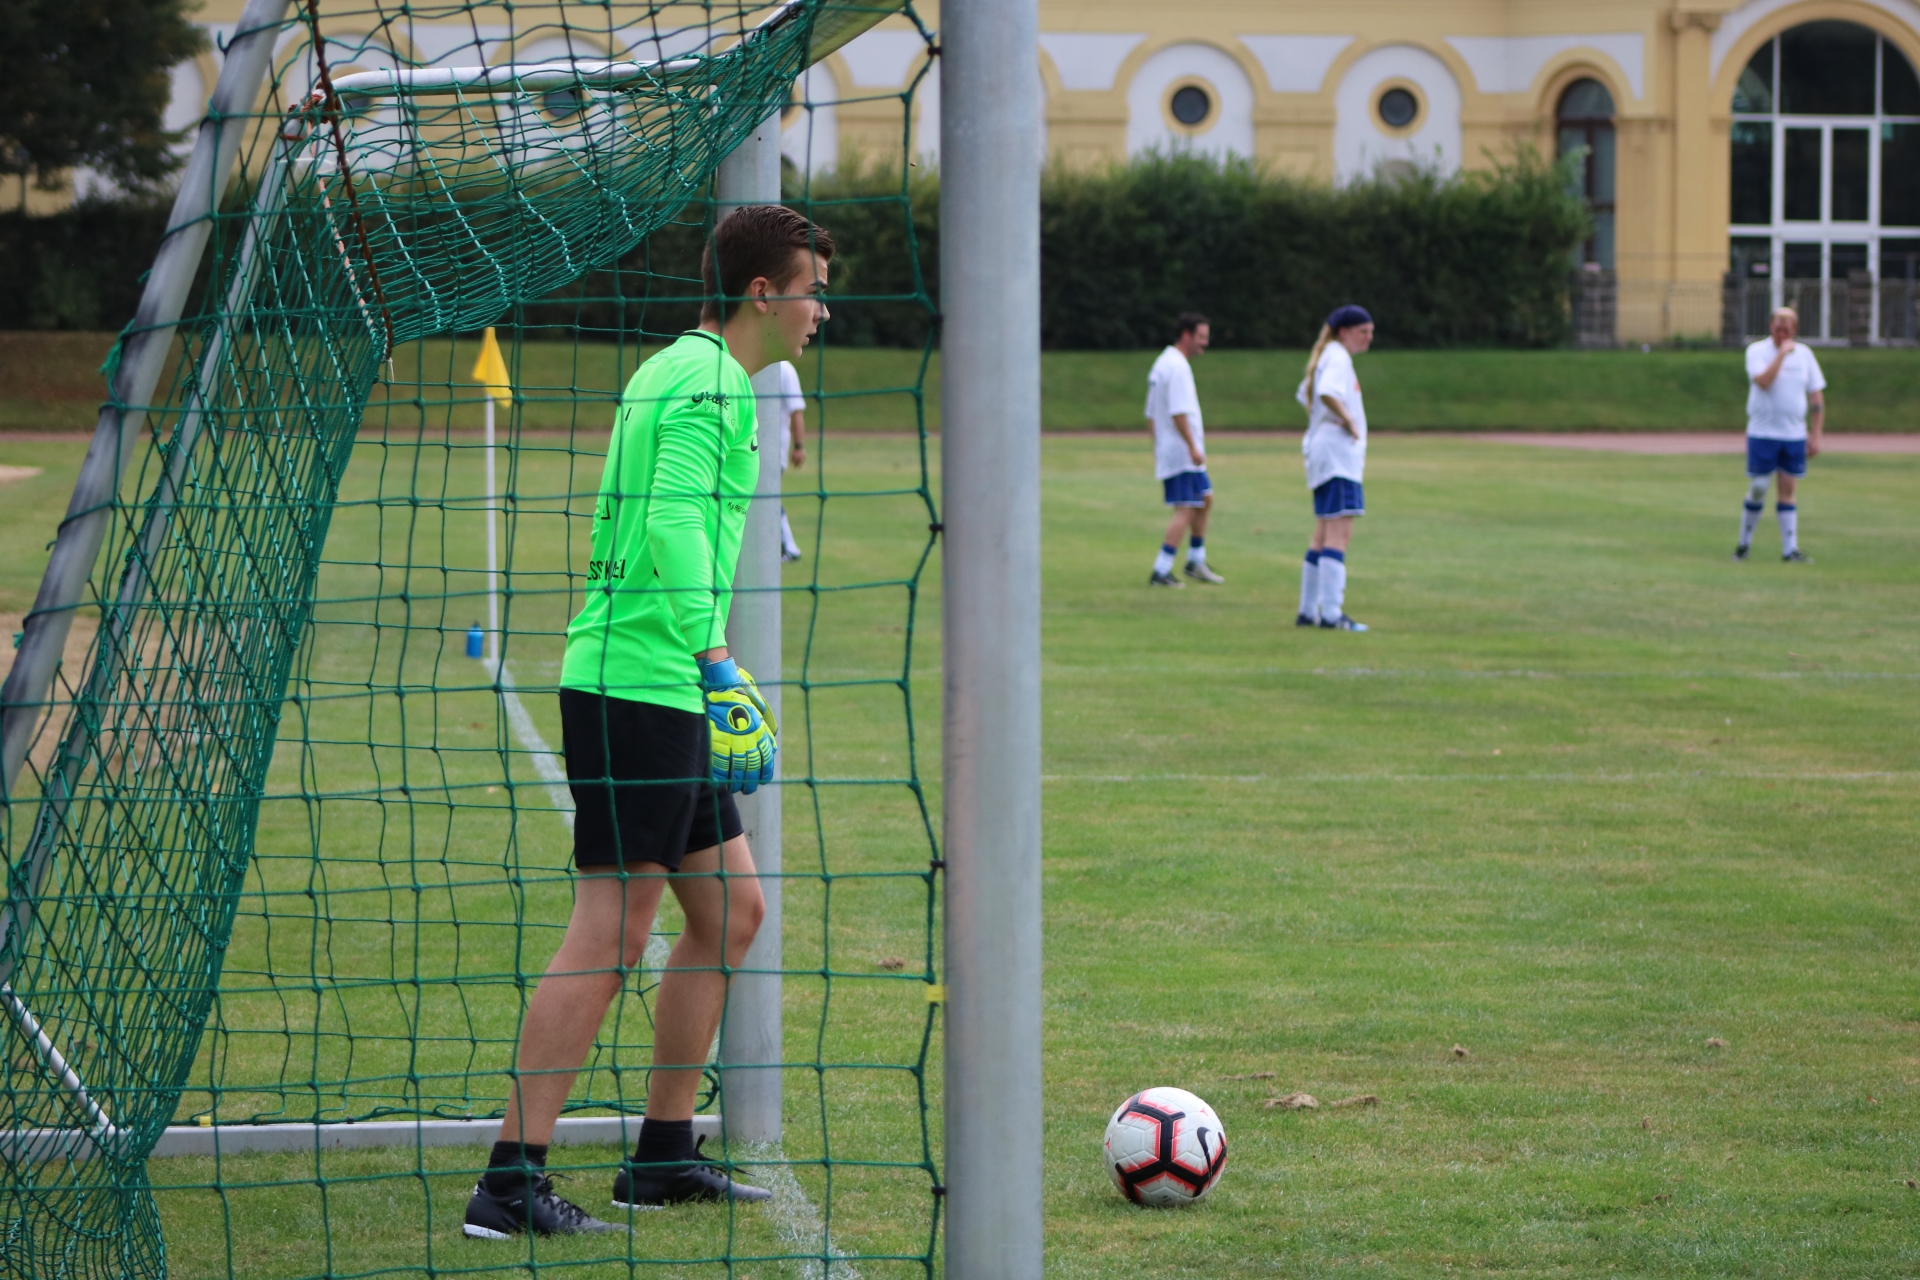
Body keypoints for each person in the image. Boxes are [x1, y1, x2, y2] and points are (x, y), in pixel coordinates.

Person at [464, 204, 834, 1240]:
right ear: (762, 292)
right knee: (612, 927)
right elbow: (670, 519)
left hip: (657, 680)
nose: (821, 311)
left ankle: (663, 1154)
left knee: (731, 912)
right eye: (811, 291)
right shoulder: (714, 380)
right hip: (641, 684)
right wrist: (714, 658)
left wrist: (704, 664)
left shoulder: (678, 367)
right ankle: (509, 1180)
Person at [1295, 305, 1374, 631]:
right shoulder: (1338, 357)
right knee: (1340, 534)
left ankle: (1307, 611)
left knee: (1323, 534)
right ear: (1344, 332)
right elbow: (1326, 392)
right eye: (1363, 331)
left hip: (1324, 454)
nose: (1368, 338)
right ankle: (1331, 614)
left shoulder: (1329, 355)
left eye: (1370, 332)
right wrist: (1349, 420)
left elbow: (1305, 394)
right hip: (1338, 458)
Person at [1737, 306, 1824, 562]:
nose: (1782, 334)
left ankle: (1790, 550)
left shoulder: (1805, 355)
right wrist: (1782, 354)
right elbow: (1763, 381)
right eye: (1778, 328)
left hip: (1793, 434)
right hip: (1763, 432)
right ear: (1770, 327)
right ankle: (1743, 544)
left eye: (1786, 329)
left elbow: (1816, 396)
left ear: (1794, 330)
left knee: (1788, 489)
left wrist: (1815, 434)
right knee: (1759, 487)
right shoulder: (1757, 351)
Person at [1145, 312, 1223, 586]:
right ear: (1186, 335)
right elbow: (1178, 412)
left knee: (1205, 498)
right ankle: (1161, 569)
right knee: (1186, 508)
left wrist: (1158, 444)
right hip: (1181, 452)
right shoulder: (1177, 367)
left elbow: (1150, 414)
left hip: (1174, 449)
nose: (1205, 343)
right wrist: (1191, 446)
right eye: (1201, 337)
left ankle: (1195, 560)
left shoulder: (1163, 363)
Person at [761, 359, 808, 562]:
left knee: (767, 499)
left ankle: (789, 547)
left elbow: (796, 410)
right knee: (764, 500)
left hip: (774, 450)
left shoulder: (785, 369)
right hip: (753, 449)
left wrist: (799, 446)